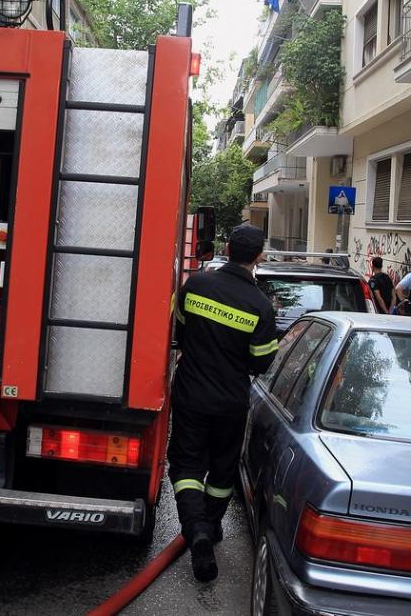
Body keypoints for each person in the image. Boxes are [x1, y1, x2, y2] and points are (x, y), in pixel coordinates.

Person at [170, 223, 277, 582]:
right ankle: (210, 526)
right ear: (258, 257)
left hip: (190, 394)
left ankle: (196, 530)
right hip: (230, 401)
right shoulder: (260, 306)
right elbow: (261, 362)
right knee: (222, 471)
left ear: (227, 250)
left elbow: (179, 331)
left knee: (185, 465)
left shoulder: (196, 285)